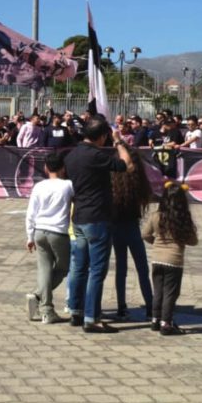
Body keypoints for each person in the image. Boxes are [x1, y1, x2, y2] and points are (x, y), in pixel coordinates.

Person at [65, 116, 134, 333]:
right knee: (97, 269)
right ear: (102, 136)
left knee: (78, 267)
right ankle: (91, 318)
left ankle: (75, 310)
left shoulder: (72, 154)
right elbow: (127, 165)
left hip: (79, 216)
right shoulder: (96, 155)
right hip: (97, 217)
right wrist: (119, 141)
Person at [142, 180, 199, 336]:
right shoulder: (183, 219)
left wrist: (156, 243)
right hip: (174, 262)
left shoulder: (156, 216)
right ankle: (166, 323)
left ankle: (155, 319)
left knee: (158, 291)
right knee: (170, 293)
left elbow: (145, 234)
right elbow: (193, 241)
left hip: (157, 259)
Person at [24, 152, 74, 324]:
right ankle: (40, 297)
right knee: (62, 267)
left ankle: (45, 307)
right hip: (58, 232)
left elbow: (31, 213)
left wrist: (29, 235)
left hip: (39, 231)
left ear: (46, 168)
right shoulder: (68, 185)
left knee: (44, 269)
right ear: (63, 168)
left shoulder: (39, 186)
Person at [110, 147, 154, 321]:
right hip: (132, 227)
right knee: (142, 268)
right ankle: (150, 306)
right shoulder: (138, 182)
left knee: (121, 269)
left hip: (115, 227)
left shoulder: (113, 180)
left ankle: (122, 306)